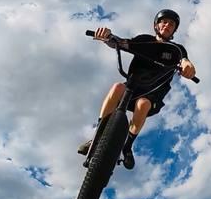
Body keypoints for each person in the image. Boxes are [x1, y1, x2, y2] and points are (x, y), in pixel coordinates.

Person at [78, 9, 196, 169]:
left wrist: (187, 66)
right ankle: (98, 136)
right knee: (117, 87)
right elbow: (121, 43)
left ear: (174, 30)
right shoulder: (144, 40)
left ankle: (127, 147)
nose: (167, 25)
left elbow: (184, 61)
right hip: (132, 86)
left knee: (143, 104)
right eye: (164, 22)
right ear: (156, 25)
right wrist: (107, 37)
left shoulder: (176, 49)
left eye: (172, 24)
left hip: (153, 92)